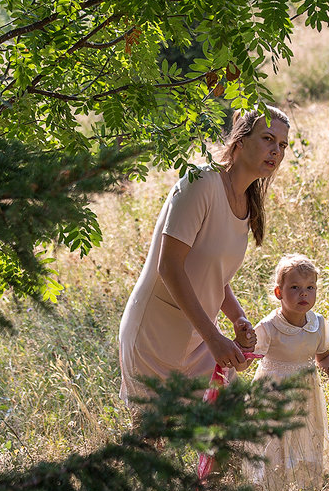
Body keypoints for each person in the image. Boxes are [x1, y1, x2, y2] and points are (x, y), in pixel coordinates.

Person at [118, 106, 291, 402]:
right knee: (152, 444)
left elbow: (213, 275)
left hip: (199, 342)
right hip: (154, 337)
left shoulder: (246, 203)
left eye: (283, 145)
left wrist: (238, 319)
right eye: (267, 139)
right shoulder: (200, 183)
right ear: (240, 140)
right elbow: (170, 267)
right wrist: (215, 338)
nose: (276, 151)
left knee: (229, 438)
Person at [243, 254, 329, 491]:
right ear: (278, 292)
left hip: (305, 395)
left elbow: (323, 358)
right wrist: (243, 344)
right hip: (273, 395)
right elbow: (248, 357)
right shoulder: (270, 326)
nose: (304, 294)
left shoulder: (317, 324)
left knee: (303, 441)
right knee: (274, 444)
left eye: (310, 288)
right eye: (295, 288)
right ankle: (268, 489)